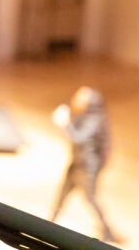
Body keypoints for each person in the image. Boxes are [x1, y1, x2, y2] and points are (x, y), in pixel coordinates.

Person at [49, 86, 117, 242]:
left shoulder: (94, 119)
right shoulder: (85, 115)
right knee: (62, 194)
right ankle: (49, 223)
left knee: (91, 198)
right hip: (77, 162)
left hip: (87, 167)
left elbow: (77, 137)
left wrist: (63, 122)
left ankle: (108, 230)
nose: (75, 100)